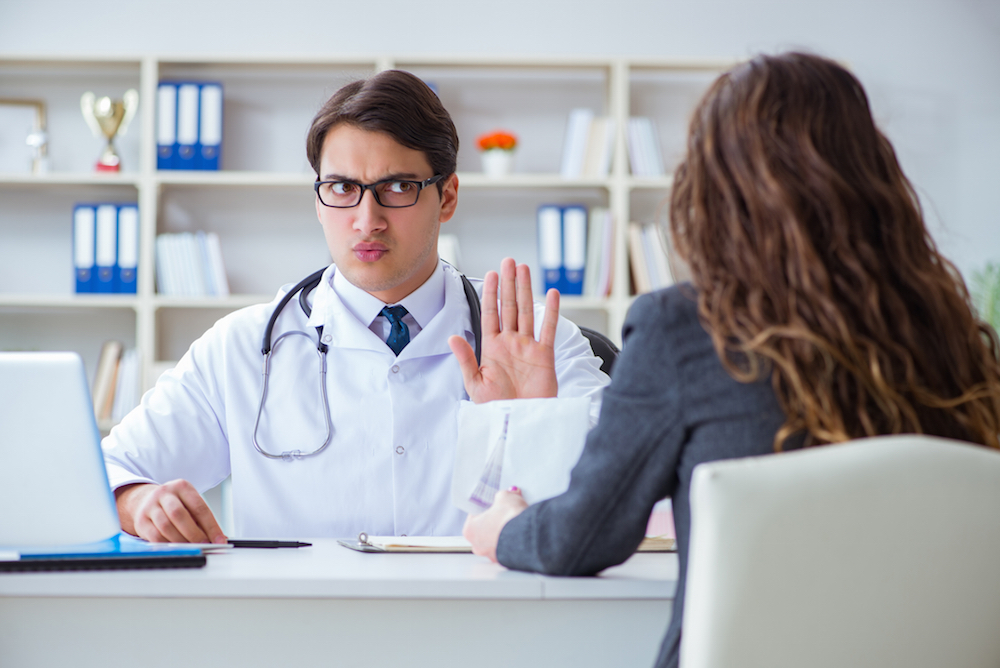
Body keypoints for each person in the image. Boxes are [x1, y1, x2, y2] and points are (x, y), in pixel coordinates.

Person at [462, 52, 1000, 668]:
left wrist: (504, 527)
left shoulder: (684, 329)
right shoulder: (951, 335)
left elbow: (581, 536)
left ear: (715, 189)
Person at [103, 70, 609, 544]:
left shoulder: (542, 342)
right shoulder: (240, 348)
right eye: (343, 188)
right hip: (302, 629)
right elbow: (109, 471)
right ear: (318, 200)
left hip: (485, 627)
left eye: (398, 187)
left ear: (448, 196)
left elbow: (622, 490)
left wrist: (533, 423)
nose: (367, 220)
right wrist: (138, 501)